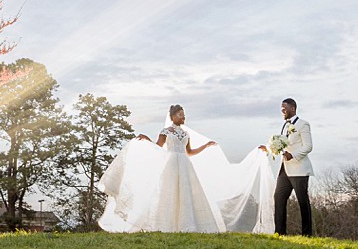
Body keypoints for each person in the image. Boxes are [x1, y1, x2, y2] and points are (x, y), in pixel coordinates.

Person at [98, 104, 275, 233]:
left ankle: (189, 225)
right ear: (173, 116)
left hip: (185, 165)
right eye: (181, 115)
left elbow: (189, 152)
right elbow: (158, 147)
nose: (184, 118)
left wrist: (205, 146)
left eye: (184, 115)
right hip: (171, 165)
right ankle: (165, 226)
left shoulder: (185, 133)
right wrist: (146, 140)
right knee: (168, 193)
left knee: (187, 194)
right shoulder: (165, 131)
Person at [258, 97, 314, 235]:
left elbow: (308, 146)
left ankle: (307, 234)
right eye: (281, 109)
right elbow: (283, 146)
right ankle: (280, 233)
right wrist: (269, 149)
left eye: (284, 109)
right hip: (285, 169)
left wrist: (293, 156)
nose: (282, 111)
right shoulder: (284, 126)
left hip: (299, 169)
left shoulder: (303, 124)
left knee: (302, 202)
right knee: (278, 197)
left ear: (292, 108)